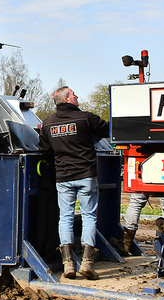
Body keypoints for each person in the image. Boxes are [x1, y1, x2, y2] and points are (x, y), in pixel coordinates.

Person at [38, 87, 110, 280]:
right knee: (88, 216)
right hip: (86, 176)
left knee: (66, 217)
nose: (77, 96)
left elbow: (43, 148)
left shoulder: (48, 123)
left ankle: (68, 264)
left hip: (63, 178)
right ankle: (87, 262)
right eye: (74, 94)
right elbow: (106, 129)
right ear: (67, 99)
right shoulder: (86, 118)